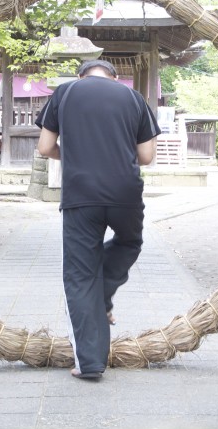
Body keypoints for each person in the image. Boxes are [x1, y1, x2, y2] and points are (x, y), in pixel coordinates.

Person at [35, 59, 161, 380]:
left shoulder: (65, 93)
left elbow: (45, 147)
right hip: (125, 193)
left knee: (81, 274)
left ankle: (90, 363)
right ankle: (103, 295)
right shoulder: (133, 97)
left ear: (81, 76)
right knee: (129, 242)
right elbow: (146, 156)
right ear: (115, 77)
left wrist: (74, 155)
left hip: (81, 195)